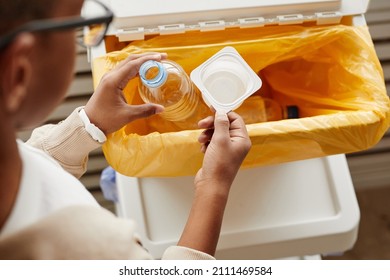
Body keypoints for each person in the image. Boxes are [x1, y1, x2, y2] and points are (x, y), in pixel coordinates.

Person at [0, 0, 251, 259]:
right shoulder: (93, 249)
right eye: (78, 26)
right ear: (19, 72)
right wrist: (214, 186)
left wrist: (90, 123)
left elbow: (36, 161)